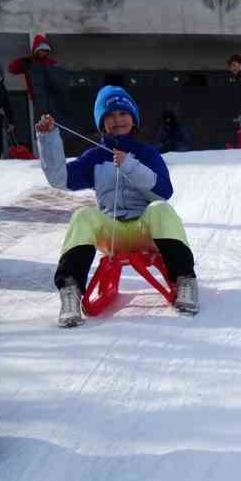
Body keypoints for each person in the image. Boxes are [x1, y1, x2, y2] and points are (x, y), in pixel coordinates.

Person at [37, 85, 200, 325]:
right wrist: (49, 139)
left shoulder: (147, 154)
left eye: (123, 114)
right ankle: (70, 291)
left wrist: (129, 166)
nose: (117, 120)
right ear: (102, 123)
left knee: (160, 209)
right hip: (112, 234)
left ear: (133, 119)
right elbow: (59, 179)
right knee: (83, 215)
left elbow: (164, 191)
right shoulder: (94, 158)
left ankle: (184, 279)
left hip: (145, 231)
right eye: (110, 116)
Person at [9, 34, 68, 144]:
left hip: (52, 99)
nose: (44, 53)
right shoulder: (28, 63)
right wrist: (23, 59)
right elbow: (12, 69)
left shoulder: (50, 62)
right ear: (36, 50)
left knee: (53, 124)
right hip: (37, 99)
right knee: (40, 124)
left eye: (46, 50)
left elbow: (59, 78)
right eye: (42, 50)